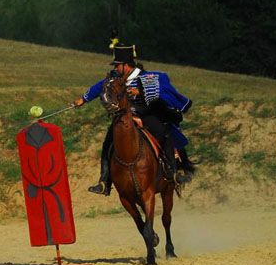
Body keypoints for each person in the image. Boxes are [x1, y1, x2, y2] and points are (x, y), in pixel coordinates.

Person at [73, 43, 193, 195]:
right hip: (124, 118)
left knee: (164, 133)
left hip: (146, 114)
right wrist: (83, 99)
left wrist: (140, 92)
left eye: (117, 65)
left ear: (126, 65)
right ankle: (104, 181)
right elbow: (100, 87)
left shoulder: (147, 78)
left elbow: (160, 92)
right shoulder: (116, 78)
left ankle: (173, 172)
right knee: (108, 143)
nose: (115, 69)